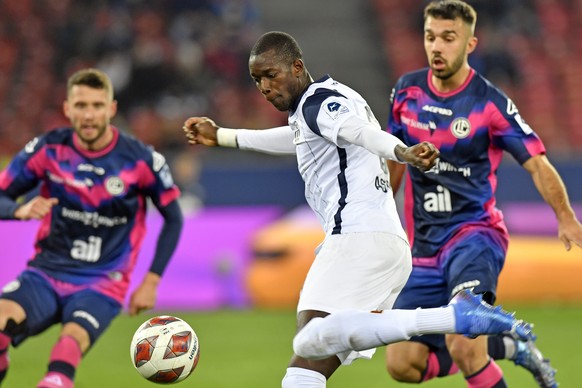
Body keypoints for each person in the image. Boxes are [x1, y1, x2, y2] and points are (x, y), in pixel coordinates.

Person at [182, 30, 535, 388]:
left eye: (271, 74)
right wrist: (223, 136)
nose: (265, 86)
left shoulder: (320, 104)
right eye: (257, 79)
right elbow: (294, 138)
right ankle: (455, 319)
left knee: (310, 341)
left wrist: (403, 152)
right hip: (384, 244)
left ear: (297, 66)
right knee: (309, 363)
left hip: (356, 238)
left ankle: (450, 318)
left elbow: (360, 133)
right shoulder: (322, 105)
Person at [383, 1, 582, 388]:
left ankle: (480, 344)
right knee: (402, 364)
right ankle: (508, 347)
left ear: (470, 43)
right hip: (422, 246)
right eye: (430, 37)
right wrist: (380, 216)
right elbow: (394, 156)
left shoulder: (490, 104)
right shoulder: (405, 92)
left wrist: (566, 216)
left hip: (474, 237)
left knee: (464, 339)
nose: (437, 47)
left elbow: (537, 163)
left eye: (448, 38)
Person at [0, 68, 184, 388]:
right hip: (45, 272)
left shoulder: (140, 160)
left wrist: (151, 280)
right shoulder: (48, 150)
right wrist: (19, 209)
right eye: (81, 105)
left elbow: (173, 217)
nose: (89, 115)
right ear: (67, 108)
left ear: (111, 109)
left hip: (102, 282)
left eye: (97, 106)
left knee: (68, 346)